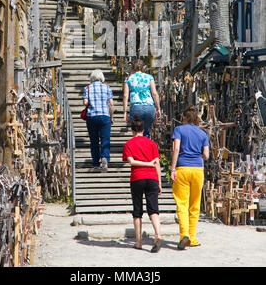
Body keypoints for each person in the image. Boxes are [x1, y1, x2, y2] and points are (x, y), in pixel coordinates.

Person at [170, 105, 209, 250]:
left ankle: (183, 235)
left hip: (182, 168)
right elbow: (206, 155)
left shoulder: (179, 130)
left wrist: (172, 168)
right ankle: (192, 238)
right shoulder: (202, 134)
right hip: (198, 170)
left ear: (185, 118)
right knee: (195, 205)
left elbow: (176, 149)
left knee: (182, 203)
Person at [122, 116, 162, 252]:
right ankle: (158, 234)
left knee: (137, 210)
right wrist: (159, 182)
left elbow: (132, 162)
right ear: (144, 130)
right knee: (154, 209)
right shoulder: (152, 144)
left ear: (132, 130)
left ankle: (139, 242)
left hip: (137, 178)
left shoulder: (128, 144)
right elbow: (157, 164)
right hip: (152, 178)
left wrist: (145, 164)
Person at [83, 69, 114, 172]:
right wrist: (112, 117)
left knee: (94, 141)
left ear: (92, 78)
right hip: (105, 116)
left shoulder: (87, 88)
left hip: (92, 116)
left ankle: (96, 163)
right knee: (105, 139)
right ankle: (105, 157)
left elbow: (85, 102)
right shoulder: (107, 88)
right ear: (102, 78)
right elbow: (111, 104)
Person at [123, 59, 161, 138]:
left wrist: (125, 112)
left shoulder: (128, 79)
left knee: (137, 132)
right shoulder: (149, 77)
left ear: (133, 68)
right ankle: (146, 148)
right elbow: (154, 93)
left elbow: (125, 95)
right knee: (146, 131)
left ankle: (137, 149)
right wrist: (158, 108)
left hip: (136, 107)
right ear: (143, 67)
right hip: (149, 107)